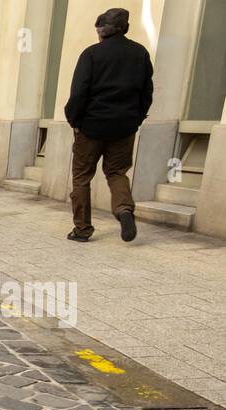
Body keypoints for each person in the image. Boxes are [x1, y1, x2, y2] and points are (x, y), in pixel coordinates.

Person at [63, 7, 153, 243]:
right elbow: (146, 93)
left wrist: (74, 120)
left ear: (101, 32)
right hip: (124, 127)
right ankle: (124, 210)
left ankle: (82, 230)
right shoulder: (140, 53)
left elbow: (79, 92)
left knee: (82, 176)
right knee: (116, 172)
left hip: (90, 127)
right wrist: (136, 118)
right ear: (125, 29)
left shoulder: (91, 54)